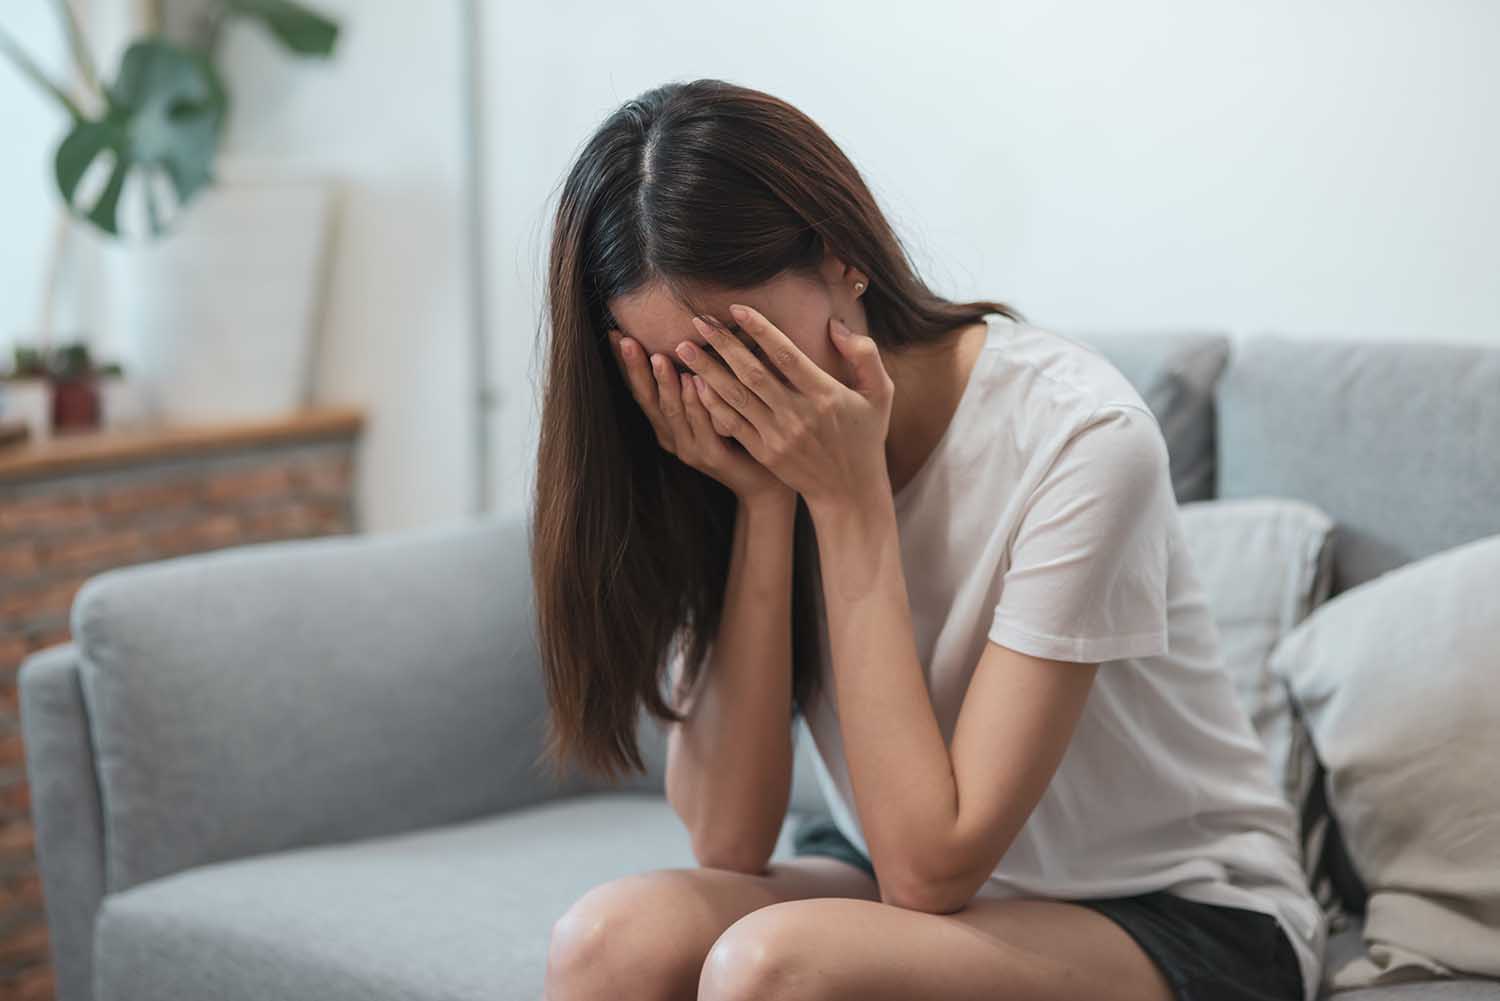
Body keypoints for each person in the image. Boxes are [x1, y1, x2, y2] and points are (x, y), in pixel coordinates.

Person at [532, 77, 1324, 1001]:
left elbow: (930, 869)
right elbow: (728, 839)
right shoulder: (719, 454)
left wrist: (851, 500)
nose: (728, 394)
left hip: (1173, 907)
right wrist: (762, 503)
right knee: (605, 941)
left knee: (772, 968)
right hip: (902, 880)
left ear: (841, 257)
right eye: (683, 366)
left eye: (743, 346)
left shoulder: (1079, 438)